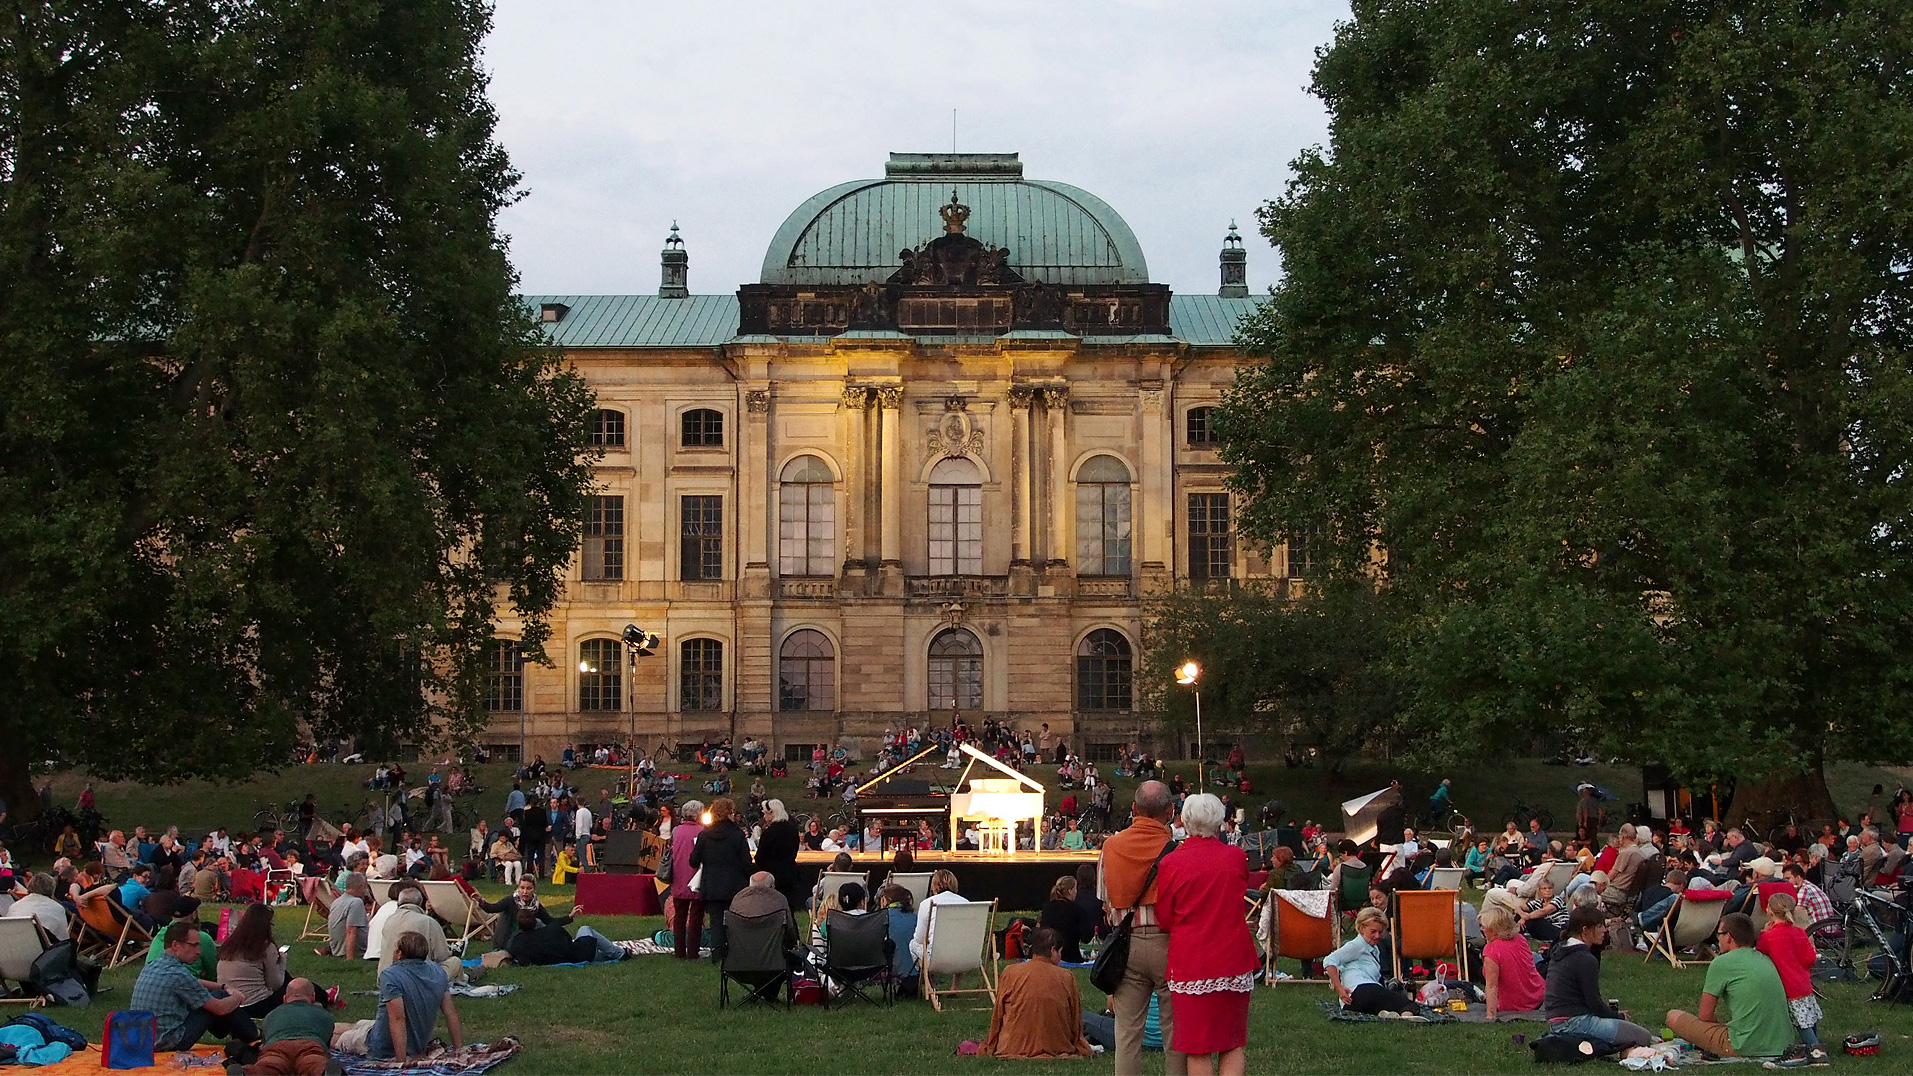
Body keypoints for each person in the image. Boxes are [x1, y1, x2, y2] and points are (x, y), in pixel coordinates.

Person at [1154, 793, 1256, 1076]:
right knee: (1232, 1043)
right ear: (1221, 822)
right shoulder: (1236, 857)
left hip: (1192, 960)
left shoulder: (1171, 863)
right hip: (1233, 958)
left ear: (1184, 822)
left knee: (1198, 1047)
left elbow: (1164, 917)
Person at [1098, 779, 1185, 1076]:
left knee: (1126, 1034)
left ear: (1134, 809)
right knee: (1176, 1033)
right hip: (1170, 945)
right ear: (1171, 811)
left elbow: (1105, 902)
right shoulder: (1177, 852)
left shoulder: (1111, 847)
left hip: (1127, 944)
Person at [1664, 912, 1793, 1059]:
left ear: (1729, 937)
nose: (1718, 939)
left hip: (1744, 1046)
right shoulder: (1764, 959)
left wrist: (1717, 1028)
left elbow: (1705, 1015)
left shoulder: (1721, 963)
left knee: (1673, 1016)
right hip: (1782, 1043)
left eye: (1719, 934)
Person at [336, 932, 464, 1064]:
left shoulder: (391, 976)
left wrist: (400, 1062)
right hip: (413, 1042)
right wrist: (459, 1051)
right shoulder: (438, 972)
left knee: (333, 1038)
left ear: (399, 954)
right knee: (358, 1025)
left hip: (382, 1046)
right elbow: (451, 1013)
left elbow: (398, 1019)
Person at [132, 920, 259, 1052]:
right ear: (175, 945)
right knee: (220, 998)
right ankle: (253, 1034)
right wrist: (237, 996)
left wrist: (223, 986)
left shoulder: (154, 965)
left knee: (217, 994)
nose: (199, 952)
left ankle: (242, 1032)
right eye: (194, 945)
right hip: (168, 1043)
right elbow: (220, 1008)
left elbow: (194, 982)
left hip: (145, 1040)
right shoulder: (178, 974)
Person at [1544, 906, 1655, 1047]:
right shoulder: (1584, 959)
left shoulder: (1561, 950)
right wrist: (1618, 1016)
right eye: (1599, 926)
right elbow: (1594, 1003)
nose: (1604, 930)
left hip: (1556, 1022)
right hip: (1575, 1023)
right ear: (1585, 930)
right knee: (1643, 1037)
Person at [980, 927, 1095, 1059]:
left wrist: (990, 1045)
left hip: (1011, 1046)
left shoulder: (1010, 972)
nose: (1060, 957)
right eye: (1060, 952)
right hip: (1057, 1047)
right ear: (1053, 950)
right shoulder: (1066, 976)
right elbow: (1075, 1022)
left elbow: (997, 1016)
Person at [1755, 893, 1826, 1065]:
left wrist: (1765, 932)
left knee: (1802, 1023)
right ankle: (1811, 1043)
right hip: (1803, 982)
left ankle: (1815, 1051)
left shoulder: (1768, 937)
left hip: (1786, 985)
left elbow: (1760, 955)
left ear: (1770, 911)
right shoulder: (1799, 932)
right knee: (1809, 1017)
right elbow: (1810, 958)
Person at [1325, 907, 1416, 1015]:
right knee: (1411, 1005)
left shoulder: (1372, 949)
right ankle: (1405, 1015)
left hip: (1351, 1002)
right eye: (1373, 931)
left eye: (1380, 932)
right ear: (1362, 928)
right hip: (1362, 990)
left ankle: (1387, 1013)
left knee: (1387, 1001)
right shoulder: (1357, 945)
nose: (1377, 936)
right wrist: (1340, 989)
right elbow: (1329, 961)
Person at [690, 796, 753, 951]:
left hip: (712, 884)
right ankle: (734, 952)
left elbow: (693, 861)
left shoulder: (705, 835)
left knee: (716, 921)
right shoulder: (737, 835)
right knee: (735, 921)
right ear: (729, 813)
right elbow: (746, 862)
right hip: (735, 884)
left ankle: (717, 952)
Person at [378, 883, 466, 981]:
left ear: (398, 903)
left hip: (387, 978)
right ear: (420, 903)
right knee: (455, 962)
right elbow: (442, 955)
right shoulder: (428, 922)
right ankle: (464, 980)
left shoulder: (389, 921)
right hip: (418, 979)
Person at [244, 978, 332, 1076]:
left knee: (268, 1066)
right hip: (310, 1045)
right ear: (313, 997)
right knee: (314, 1063)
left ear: (285, 999)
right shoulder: (323, 1015)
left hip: (277, 1046)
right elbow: (326, 1044)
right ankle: (323, 1071)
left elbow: (265, 1043)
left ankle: (248, 1073)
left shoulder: (271, 1015)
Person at [217, 903, 289, 1018]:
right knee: (295, 988)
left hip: (228, 1002)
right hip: (256, 1004)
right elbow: (275, 984)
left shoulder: (230, 945)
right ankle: (322, 996)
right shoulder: (265, 947)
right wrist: (283, 961)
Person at [1479, 904, 1546, 1019]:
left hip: (1514, 1005)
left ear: (1494, 928)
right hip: (1538, 995)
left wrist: (1491, 1016)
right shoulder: (1520, 939)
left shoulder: (1491, 951)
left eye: (1483, 926)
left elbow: (1491, 986)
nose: (1481, 929)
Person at [504, 906, 626, 965]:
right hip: (579, 954)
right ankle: (619, 953)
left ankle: (610, 954)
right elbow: (568, 940)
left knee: (601, 955)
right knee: (585, 929)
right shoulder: (553, 931)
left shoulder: (516, 943)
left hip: (558, 958)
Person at [668, 799, 706, 959]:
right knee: (696, 917)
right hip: (696, 878)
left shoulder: (676, 831)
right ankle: (692, 951)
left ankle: (679, 951)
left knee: (679, 917)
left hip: (678, 877)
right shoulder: (703, 832)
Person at [753, 799, 804, 916]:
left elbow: (760, 857)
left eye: (765, 813)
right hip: (790, 873)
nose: (764, 816)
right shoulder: (792, 829)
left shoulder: (769, 833)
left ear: (772, 813)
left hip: (773, 877)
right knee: (788, 910)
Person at [910, 869, 967, 964]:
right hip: (964, 956)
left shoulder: (927, 904)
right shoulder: (966, 903)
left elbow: (919, 939)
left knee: (913, 944)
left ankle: (924, 976)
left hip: (936, 957)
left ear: (934, 886)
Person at [1040, 875, 1095, 964]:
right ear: (1070, 891)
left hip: (1048, 955)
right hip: (1071, 957)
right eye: (1075, 889)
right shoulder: (1077, 910)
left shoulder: (1047, 907)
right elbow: (1086, 938)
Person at [6, 873, 69, 942]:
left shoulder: (14, 907)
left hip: (14, 945)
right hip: (44, 949)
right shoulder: (57, 908)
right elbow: (63, 938)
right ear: (52, 889)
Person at [326, 872, 371, 959]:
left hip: (337, 949)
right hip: (354, 951)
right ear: (360, 887)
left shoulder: (336, 902)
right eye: (365, 887)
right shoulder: (356, 902)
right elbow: (351, 931)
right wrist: (350, 958)